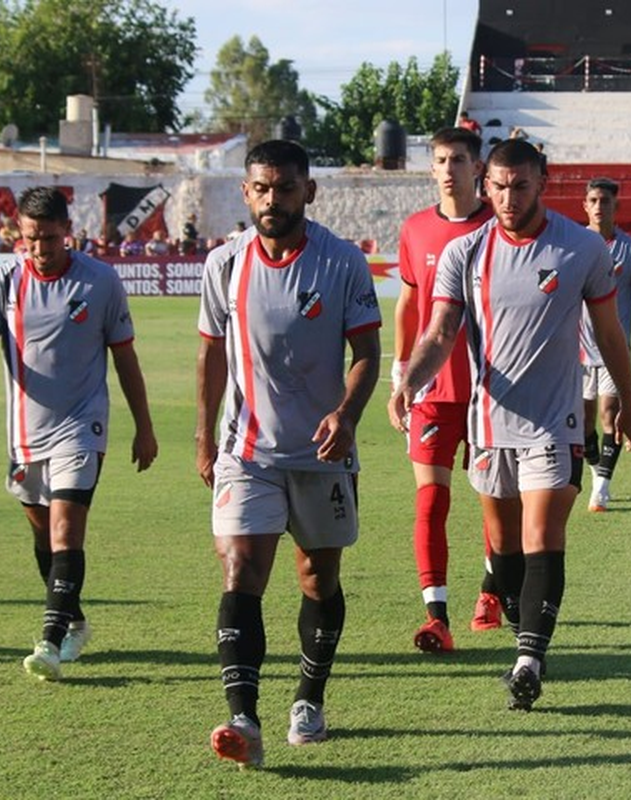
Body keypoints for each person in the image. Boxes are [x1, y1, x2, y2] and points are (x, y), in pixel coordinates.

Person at [389, 139, 631, 712]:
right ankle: (526, 637)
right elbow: (439, 332)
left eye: (519, 186)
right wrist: (409, 380)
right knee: (503, 554)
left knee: (541, 537)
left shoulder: (579, 248)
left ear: (543, 183)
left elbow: (608, 333)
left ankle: (529, 657)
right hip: (490, 425)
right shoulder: (466, 253)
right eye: (497, 186)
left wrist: (628, 399)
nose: (506, 197)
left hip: (556, 422)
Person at [197, 140, 382, 768]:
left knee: (317, 578)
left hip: (323, 452)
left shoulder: (342, 262)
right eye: (260, 188)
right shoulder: (224, 264)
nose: (271, 200)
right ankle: (243, 717)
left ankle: (308, 696)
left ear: (309, 191)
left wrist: (347, 416)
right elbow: (208, 356)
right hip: (247, 451)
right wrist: (203, 437)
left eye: (283, 188)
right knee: (242, 570)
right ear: (246, 192)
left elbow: (367, 355)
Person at [0, 186, 158, 681]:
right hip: (26, 433)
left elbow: (125, 357)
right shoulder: (4, 281)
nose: (40, 249)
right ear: (18, 236)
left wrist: (144, 426)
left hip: (82, 427)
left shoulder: (100, 281)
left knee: (67, 529)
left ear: (68, 232)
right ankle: (75, 620)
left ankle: (48, 640)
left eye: (49, 237)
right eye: (30, 239)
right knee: (44, 540)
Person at [393, 127, 502, 652]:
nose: (449, 168)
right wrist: (401, 372)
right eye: (440, 159)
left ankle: (491, 590)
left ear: (477, 167)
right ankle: (436, 615)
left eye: (459, 158)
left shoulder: (498, 224)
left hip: (490, 391)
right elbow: (409, 307)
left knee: (492, 500)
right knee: (431, 499)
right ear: (431, 168)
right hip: (433, 391)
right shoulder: (415, 229)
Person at [578, 177, 631, 513]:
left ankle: (601, 486)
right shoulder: (572, 246)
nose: (598, 206)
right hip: (576, 352)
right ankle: (597, 466)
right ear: (585, 205)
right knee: (582, 422)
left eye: (604, 201)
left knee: (610, 414)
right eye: (592, 200)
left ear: (615, 206)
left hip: (612, 350)